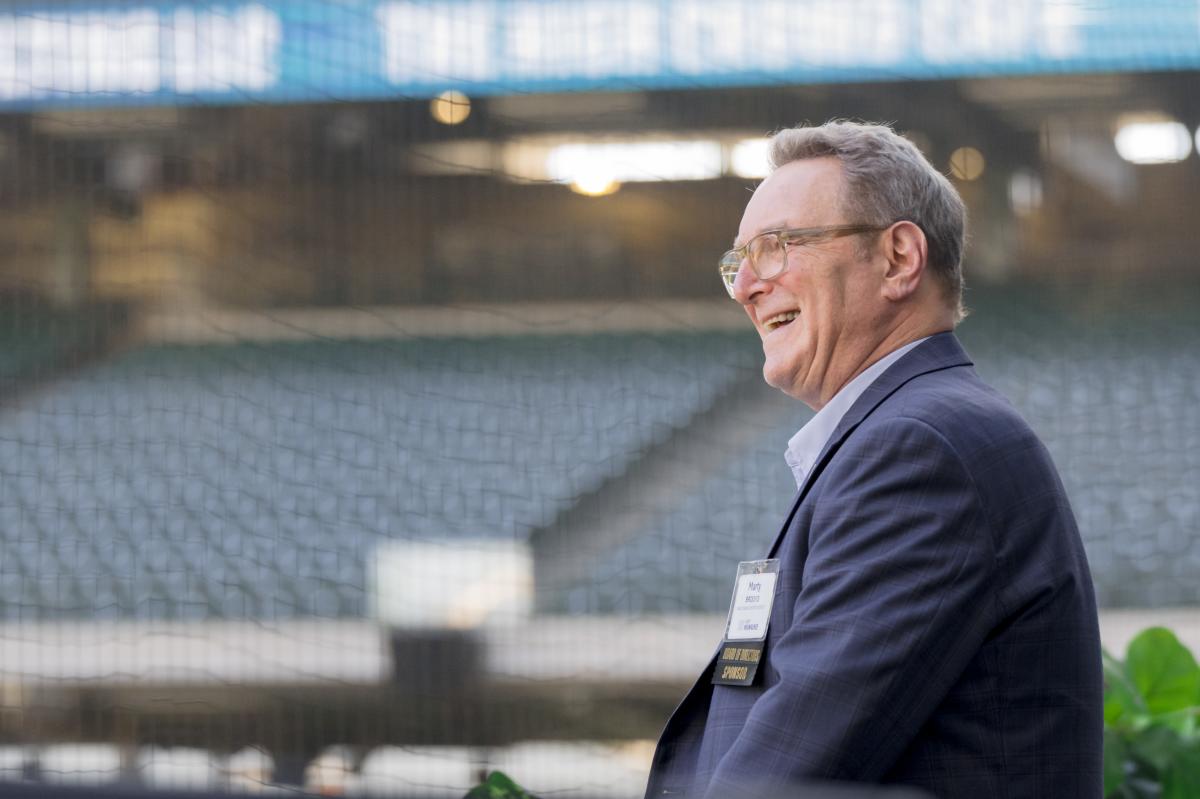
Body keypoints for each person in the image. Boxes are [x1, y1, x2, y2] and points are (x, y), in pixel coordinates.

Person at [643, 121, 1102, 798]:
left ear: (898, 258)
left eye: (777, 246)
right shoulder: (912, 432)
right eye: (737, 262)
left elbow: (781, 774)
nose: (746, 287)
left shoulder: (921, 448)